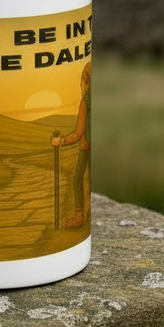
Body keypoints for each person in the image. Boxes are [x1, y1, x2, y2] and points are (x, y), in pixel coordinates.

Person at [51, 61, 91, 228]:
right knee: (81, 177)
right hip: (88, 144)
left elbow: (79, 133)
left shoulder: (85, 101)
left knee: (77, 179)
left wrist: (60, 141)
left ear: (86, 80)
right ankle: (82, 216)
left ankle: (79, 216)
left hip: (85, 144)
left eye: (82, 79)